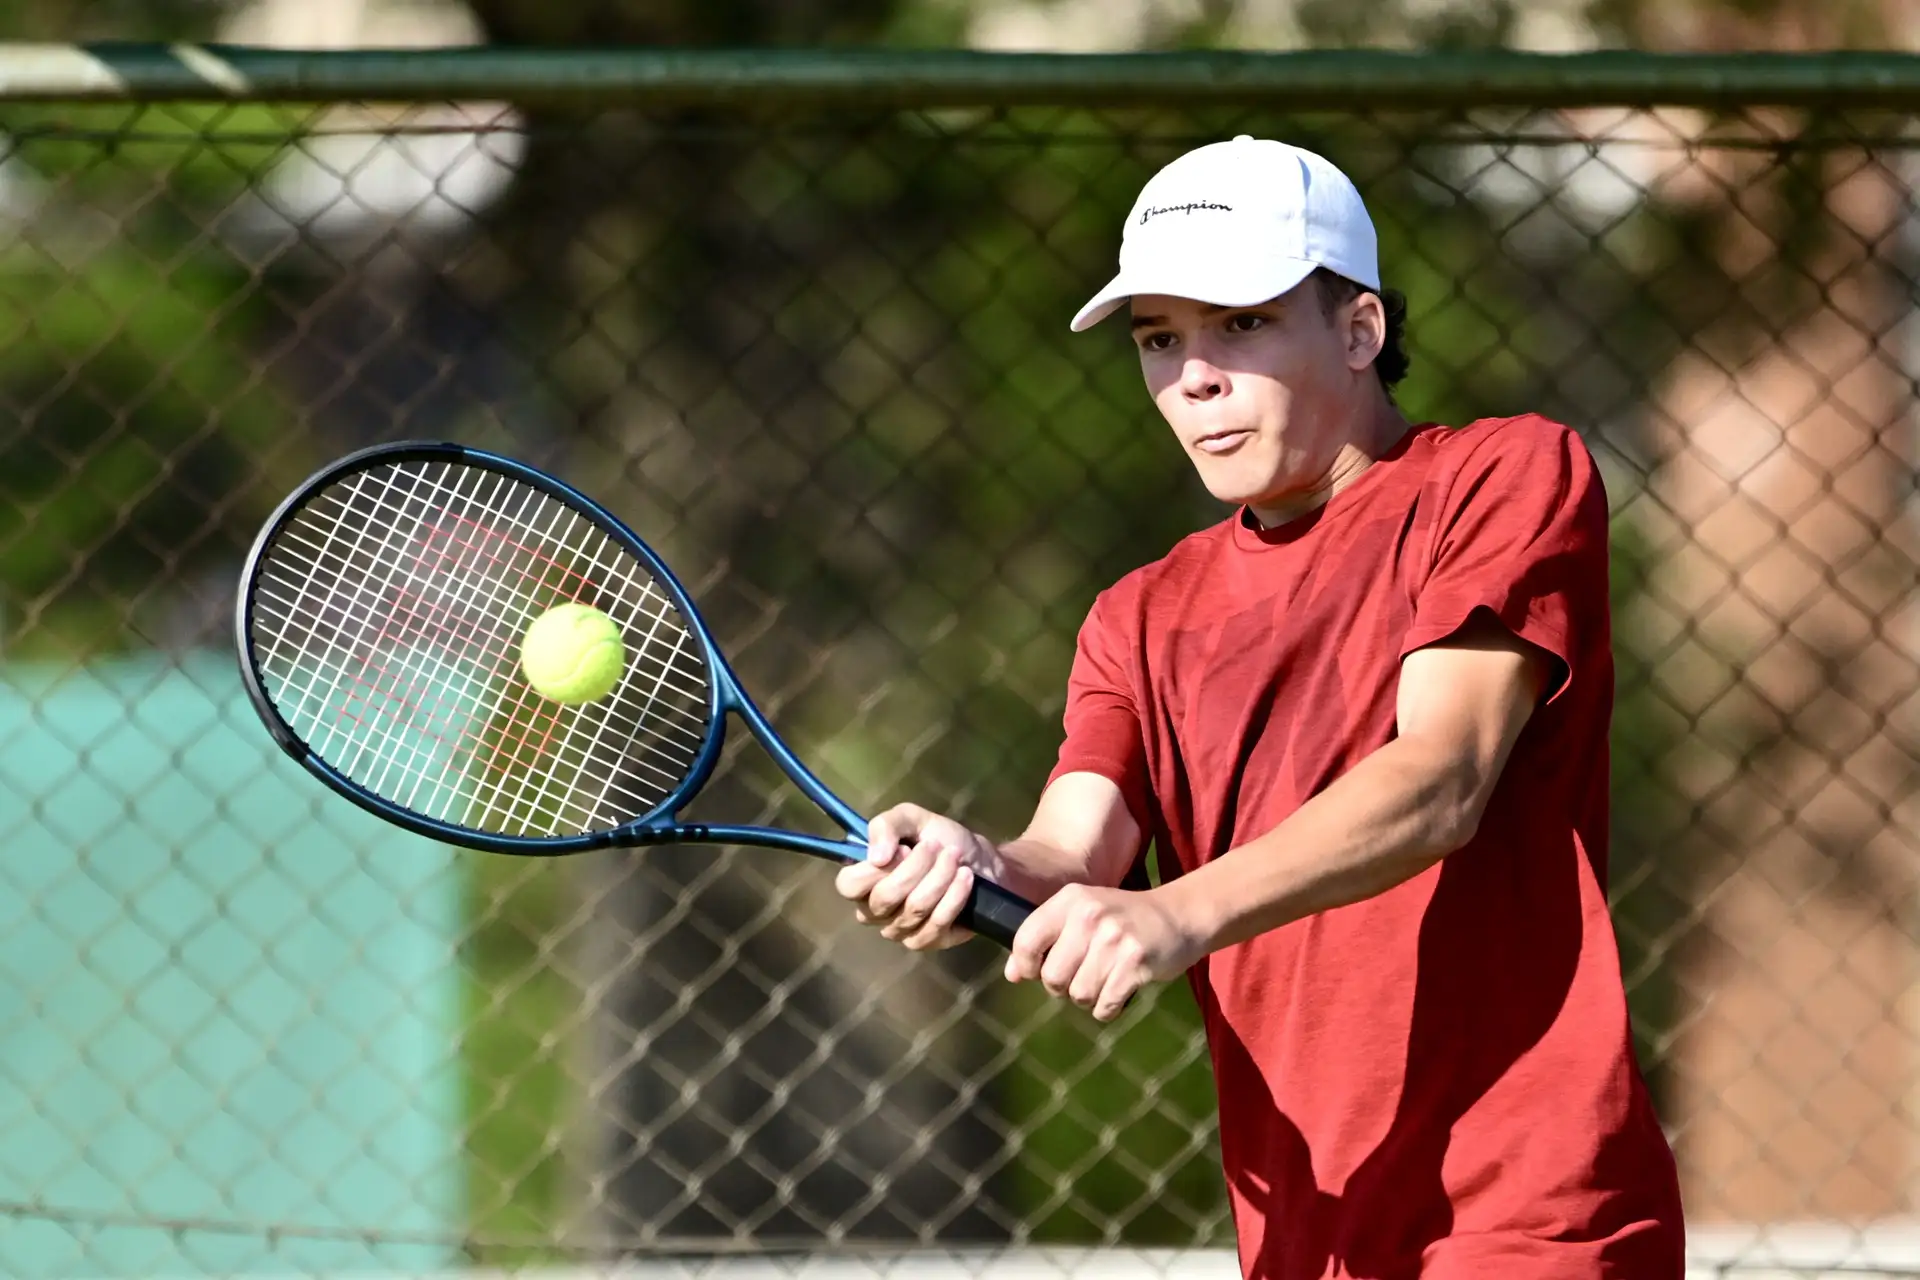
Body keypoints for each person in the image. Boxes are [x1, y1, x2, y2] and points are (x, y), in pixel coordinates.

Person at [835, 135, 1685, 1278]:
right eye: (1158, 338)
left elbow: (1441, 777)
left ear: (1360, 329)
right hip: (1305, 1238)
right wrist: (972, 862)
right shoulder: (1138, 616)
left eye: (1240, 323)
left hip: (1528, 1222)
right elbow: (1071, 852)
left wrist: (1176, 913)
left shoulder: (1501, 478)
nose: (1194, 377)